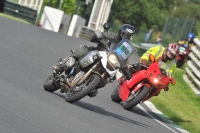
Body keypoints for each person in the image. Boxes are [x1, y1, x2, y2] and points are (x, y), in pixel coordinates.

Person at [53, 24, 135, 96]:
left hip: (110, 63)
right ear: (121, 32)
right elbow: (97, 36)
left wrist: (127, 71)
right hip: (98, 53)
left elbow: (125, 62)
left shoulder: (126, 49)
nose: (126, 37)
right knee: (84, 50)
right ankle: (62, 66)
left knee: (108, 79)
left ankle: (91, 87)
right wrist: (98, 37)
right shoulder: (111, 35)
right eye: (125, 35)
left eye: (128, 36)